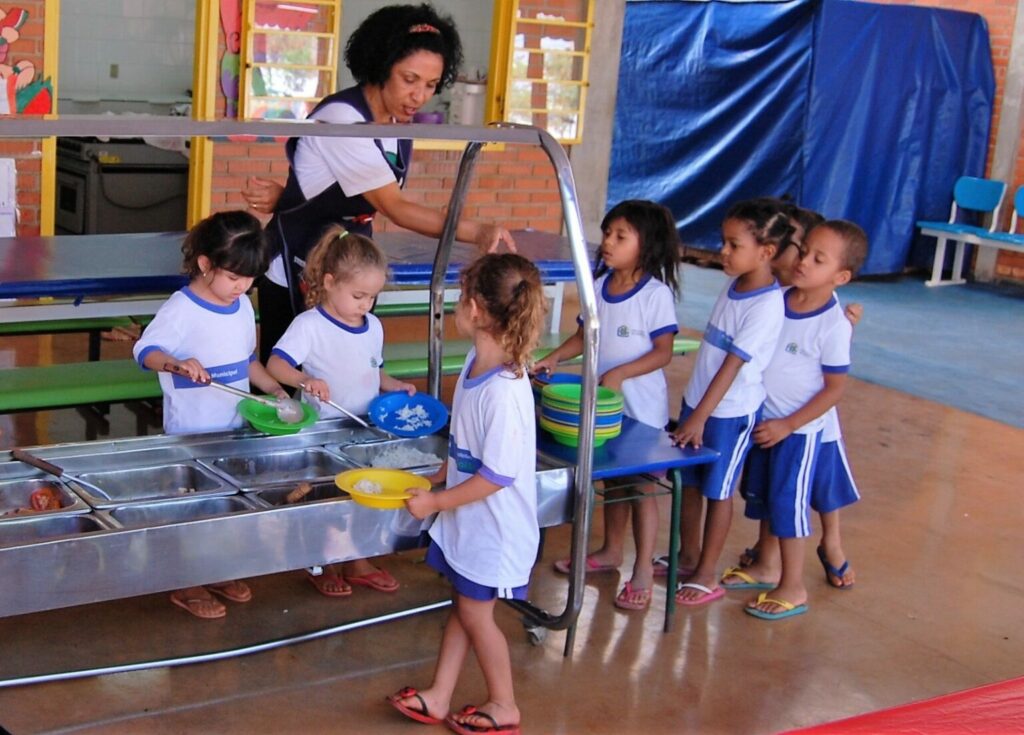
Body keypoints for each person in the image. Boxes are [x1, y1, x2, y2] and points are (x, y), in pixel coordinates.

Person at [246, 3, 515, 363]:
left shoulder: (394, 124)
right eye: (409, 80)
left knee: (348, 370)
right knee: (287, 374)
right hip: (300, 264)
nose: (419, 96)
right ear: (381, 67)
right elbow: (395, 207)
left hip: (353, 268)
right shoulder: (343, 120)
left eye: (431, 85)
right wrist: (477, 231)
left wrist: (286, 195)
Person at [387, 253, 546, 735]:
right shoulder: (477, 364)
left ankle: (504, 704)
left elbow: (496, 476)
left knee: (478, 618)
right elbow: (469, 450)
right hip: (472, 523)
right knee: (465, 606)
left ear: (475, 308)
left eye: (460, 299)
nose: (458, 306)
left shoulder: (504, 390)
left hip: (495, 532)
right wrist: (440, 476)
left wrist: (435, 503)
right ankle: (439, 695)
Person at [133, 211, 288, 619]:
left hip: (232, 427)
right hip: (192, 431)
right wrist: (177, 364)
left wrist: (274, 389)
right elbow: (145, 351)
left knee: (226, 503)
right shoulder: (182, 308)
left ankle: (214, 570)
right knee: (194, 507)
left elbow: (247, 361)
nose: (242, 287)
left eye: (250, 279)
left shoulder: (240, 306)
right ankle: (186, 582)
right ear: (205, 264)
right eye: (234, 277)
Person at [533, 200, 681, 611]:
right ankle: (612, 550)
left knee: (642, 488)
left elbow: (664, 352)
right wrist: (554, 358)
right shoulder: (598, 286)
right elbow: (585, 337)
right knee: (613, 482)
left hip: (641, 411)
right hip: (603, 411)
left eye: (621, 236)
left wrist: (621, 373)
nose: (608, 243)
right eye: (607, 234)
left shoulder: (655, 295)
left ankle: (643, 569)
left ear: (647, 244)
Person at [266, 225, 416, 597]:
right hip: (324, 432)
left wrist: (394, 385)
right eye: (358, 295)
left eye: (372, 297)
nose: (366, 305)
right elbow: (276, 365)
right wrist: (305, 379)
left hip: (363, 430)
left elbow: (373, 370)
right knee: (323, 499)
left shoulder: (373, 326)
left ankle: (357, 560)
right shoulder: (309, 325)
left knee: (363, 495)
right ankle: (318, 561)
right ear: (330, 282)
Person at [736, 220, 867, 620]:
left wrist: (790, 424)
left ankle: (793, 585)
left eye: (818, 259)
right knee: (764, 498)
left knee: (788, 506)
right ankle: (766, 565)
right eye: (805, 251)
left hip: (797, 431)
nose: (804, 261)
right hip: (765, 421)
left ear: (840, 277)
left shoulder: (832, 324)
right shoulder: (777, 300)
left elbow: (834, 389)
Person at [668, 199, 788, 607]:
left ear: (765, 252)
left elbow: (733, 366)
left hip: (728, 413)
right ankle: (687, 555)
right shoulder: (735, 283)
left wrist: (700, 417)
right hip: (699, 403)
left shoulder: (767, 305)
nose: (723, 251)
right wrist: (694, 409)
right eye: (724, 242)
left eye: (734, 245)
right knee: (689, 482)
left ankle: (706, 573)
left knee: (718, 491)